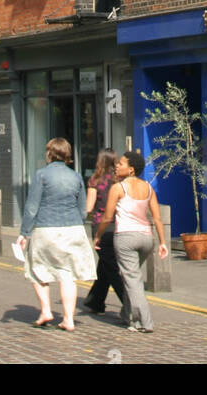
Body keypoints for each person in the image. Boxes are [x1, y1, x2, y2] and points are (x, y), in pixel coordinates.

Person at [16, 137, 96, 331]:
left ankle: (46, 310)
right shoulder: (76, 176)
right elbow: (84, 211)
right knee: (67, 273)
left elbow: (32, 207)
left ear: (49, 154)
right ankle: (68, 318)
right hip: (73, 228)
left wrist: (24, 232)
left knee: (38, 270)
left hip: (46, 228)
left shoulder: (41, 175)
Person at [95, 149, 168, 333]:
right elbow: (157, 218)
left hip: (126, 237)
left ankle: (144, 322)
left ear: (131, 169)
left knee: (132, 279)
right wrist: (162, 242)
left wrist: (98, 236)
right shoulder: (148, 188)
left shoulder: (118, 188)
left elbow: (107, 217)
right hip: (146, 238)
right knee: (130, 276)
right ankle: (126, 314)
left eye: (121, 163)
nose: (117, 166)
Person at [82, 148, 127, 316]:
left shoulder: (95, 180)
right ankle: (96, 301)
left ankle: (128, 303)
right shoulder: (120, 180)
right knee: (105, 265)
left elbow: (88, 207)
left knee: (110, 267)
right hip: (119, 225)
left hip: (101, 226)